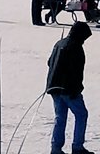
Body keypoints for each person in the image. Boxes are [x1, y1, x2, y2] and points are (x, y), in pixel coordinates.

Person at [47, 21, 93, 154]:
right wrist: (75, 90)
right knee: (81, 115)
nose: (84, 41)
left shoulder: (59, 43)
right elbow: (75, 71)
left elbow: (49, 62)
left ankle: (56, 148)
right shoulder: (75, 47)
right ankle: (77, 147)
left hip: (54, 87)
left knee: (60, 117)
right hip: (68, 88)